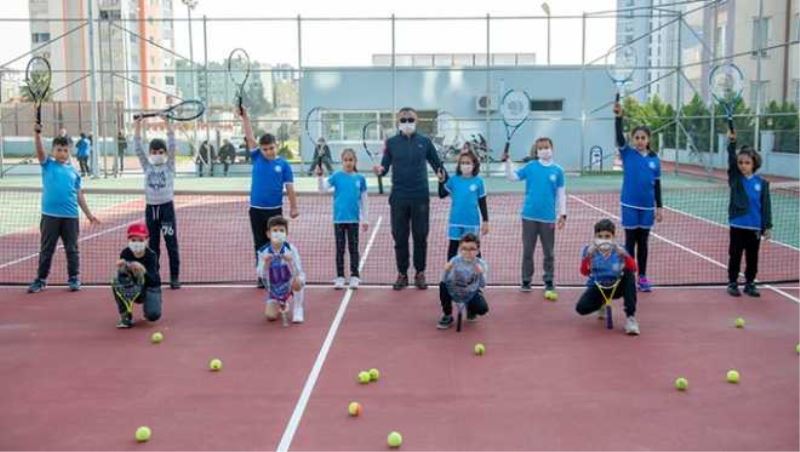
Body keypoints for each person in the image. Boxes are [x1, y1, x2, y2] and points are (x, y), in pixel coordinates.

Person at [373, 107, 444, 290]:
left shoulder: (425, 142)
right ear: (398, 122)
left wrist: (446, 180)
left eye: (410, 119)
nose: (407, 123)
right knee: (400, 237)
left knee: (421, 236)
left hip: (420, 197)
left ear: (416, 120)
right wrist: (380, 171)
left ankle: (420, 273)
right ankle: (402, 274)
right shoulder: (391, 143)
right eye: (403, 120)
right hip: (398, 197)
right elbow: (384, 167)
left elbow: (438, 166)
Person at [27, 122, 100, 293]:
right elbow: (39, 151)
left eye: (65, 150)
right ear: (53, 151)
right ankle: (41, 279)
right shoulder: (48, 165)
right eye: (59, 149)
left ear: (70, 152)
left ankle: (73, 278)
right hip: (50, 216)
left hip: (70, 217)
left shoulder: (74, 172)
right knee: (47, 250)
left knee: (72, 249)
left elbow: (79, 195)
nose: (62, 153)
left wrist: (89, 215)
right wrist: (37, 134)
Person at [240, 107, 299, 288]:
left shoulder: (284, 165)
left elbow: (289, 187)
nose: (268, 152)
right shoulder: (257, 157)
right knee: (259, 244)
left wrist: (294, 206)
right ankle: (262, 275)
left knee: (276, 242)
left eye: (271, 148)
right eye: (265, 149)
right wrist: (245, 116)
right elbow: (250, 137)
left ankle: (277, 272)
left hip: (274, 211)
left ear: (277, 146)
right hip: (256, 210)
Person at [503, 137, 566, 299]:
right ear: (537, 151)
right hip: (529, 216)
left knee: (549, 252)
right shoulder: (530, 167)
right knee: (528, 251)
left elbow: (561, 194)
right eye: (541, 148)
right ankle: (526, 280)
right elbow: (512, 177)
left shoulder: (558, 170)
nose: (544, 150)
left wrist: (562, 213)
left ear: (552, 148)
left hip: (548, 219)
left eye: (547, 147)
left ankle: (549, 280)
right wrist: (508, 162)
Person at [614, 101, 663, 292]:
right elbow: (619, 137)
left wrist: (659, 207)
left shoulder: (654, 160)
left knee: (643, 243)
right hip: (629, 205)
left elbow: (657, 185)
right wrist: (619, 117)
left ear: (649, 139)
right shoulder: (627, 154)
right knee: (629, 242)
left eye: (643, 137)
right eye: (637, 137)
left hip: (647, 208)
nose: (640, 140)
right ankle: (628, 276)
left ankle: (642, 277)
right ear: (633, 139)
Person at [134, 115, 181, 289]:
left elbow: (173, 143)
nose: (157, 155)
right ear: (150, 154)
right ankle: (153, 276)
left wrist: (168, 122)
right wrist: (138, 125)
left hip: (166, 208)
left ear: (166, 153)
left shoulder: (169, 166)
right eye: (154, 152)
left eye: (160, 152)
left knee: (171, 243)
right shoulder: (147, 166)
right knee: (153, 246)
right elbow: (137, 147)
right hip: (151, 209)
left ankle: (175, 277)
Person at [725, 128, 772, 297]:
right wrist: (732, 143)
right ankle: (732, 283)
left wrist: (767, 226)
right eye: (740, 163)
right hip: (737, 225)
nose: (743, 166)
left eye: (747, 163)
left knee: (752, 258)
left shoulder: (762, 183)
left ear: (754, 164)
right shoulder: (735, 180)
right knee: (735, 256)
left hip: (754, 227)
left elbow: (766, 206)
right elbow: (731, 160)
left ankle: (750, 283)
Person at [575, 219, 640, 335]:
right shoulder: (589, 250)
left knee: (629, 274)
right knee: (581, 308)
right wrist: (587, 257)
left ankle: (631, 318)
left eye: (607, 236)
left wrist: (625, 256)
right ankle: (602, 303)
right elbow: (584, 272)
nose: (603, 239)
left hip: (617, 287)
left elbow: (634, 268)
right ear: (595, 237)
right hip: (599, 286)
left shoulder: (620, 249)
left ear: (613, 237)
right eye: (600, 236)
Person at [318, 148, 369, 289]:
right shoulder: (336, 176)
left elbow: (364, 199)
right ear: (342, 161)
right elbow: (322, 189)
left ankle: (354, 276)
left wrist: (365, 219)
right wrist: (319, 177)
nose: (348, 162)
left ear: (355, 161)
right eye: (345, 160)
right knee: (340, 249)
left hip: (354, 220)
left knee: (353, 249)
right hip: (339, 220)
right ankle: (340, 276)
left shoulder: (360, 179)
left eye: (351, 160)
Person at [437, 150, 489, 261]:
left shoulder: (479, 181)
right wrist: (440, 181)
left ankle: (478, 275)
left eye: (468, 163)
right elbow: (442, 194)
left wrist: (485, 221)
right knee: (453, 248)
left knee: (473, 249)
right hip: (455, 221)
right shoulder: (454, 180)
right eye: (463, 163)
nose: (465, 165)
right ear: (459, 165)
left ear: (474, 165)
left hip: (471, 222)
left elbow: (482, 202)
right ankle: (449, 276)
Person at [256, 216, 306, 324]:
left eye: (281, 230)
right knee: (270, 316)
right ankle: (281, 301)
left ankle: (298, 309)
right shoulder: (262, 252)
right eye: (275, 230)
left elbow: (299, 271)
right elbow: (260, 274)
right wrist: (266, 263)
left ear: (286, 234)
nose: (278, 233)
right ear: (268, 234)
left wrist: (290, 261)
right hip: (275, 288)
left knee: (297, 281)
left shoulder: (291, 249)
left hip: (290, 283)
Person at [112, 223, 162, 329]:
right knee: (116, 282)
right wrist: (123, 267)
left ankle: (151, 304)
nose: (136, 243)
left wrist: (143, 271)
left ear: (146, 240)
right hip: (133, 286)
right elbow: (123, 275)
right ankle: (125, 315)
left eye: (140, 240)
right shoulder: (125, 253)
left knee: (153, 315)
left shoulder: (151, 255)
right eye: (133, 240)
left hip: (150, 287)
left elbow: (154, 280)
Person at [437, 233, 489, 329]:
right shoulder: (454, 261)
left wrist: (480, 273)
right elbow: (444, 281)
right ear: (460, 250)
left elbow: (482, 285)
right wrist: (446, 271)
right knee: (443, 285)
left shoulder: (481, 264)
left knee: (483, 309)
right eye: (464, 248)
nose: (468, 252)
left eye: (472, 249)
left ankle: (471, 309)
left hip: (472, 292)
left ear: (478, 251)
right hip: (456, 289)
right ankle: (447, 315)